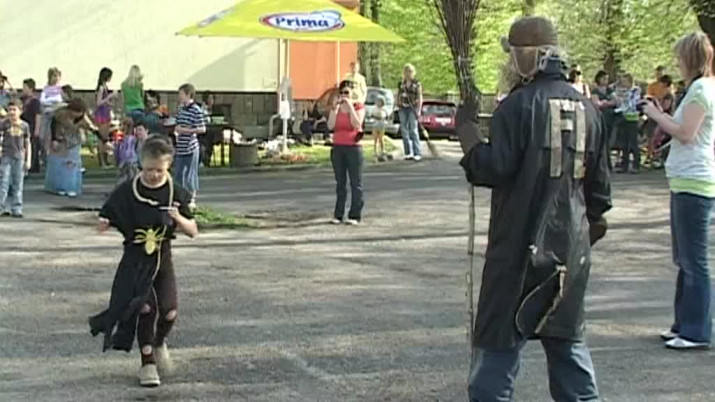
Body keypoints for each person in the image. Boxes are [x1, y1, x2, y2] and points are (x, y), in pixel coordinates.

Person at [456, 17, 611, 401]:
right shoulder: (590, 110)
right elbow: (599, 199)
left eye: (512, 54)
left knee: (496, 356)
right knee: (569, 352)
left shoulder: (516, 107)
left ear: (527, 57)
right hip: (569, 254)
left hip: (516, 253)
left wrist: (467, 133)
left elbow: (492, 168)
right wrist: (579, 239)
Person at [89, 135, 198, 388]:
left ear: (168, 165)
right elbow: (106, 215)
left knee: (169, 311)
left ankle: (159, 343)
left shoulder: (174, 191)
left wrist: (178, 219)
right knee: (145, 308)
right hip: (135, 261)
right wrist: (104, 223)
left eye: (159, 170)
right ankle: (147, 362)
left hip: (162, 258)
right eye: (149, 169)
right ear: (141, 164)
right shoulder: (128, 190)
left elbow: (193, 231)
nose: (154, 175)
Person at [642, 32, 715, 350]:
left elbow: (687, 133)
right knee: (685, 257)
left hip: (694, 183)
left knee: (694, 260)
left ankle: (697, 331)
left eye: (680, 57)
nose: (677, 63)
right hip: (687, 180)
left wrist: (656, 115)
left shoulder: (701, 89)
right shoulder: (701, 88)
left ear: (689, 58)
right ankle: (683, 324)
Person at [328, 80, 366, 225]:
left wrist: (350, 108)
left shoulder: (358, 107)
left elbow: (357, 124)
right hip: (338, 146)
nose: (344, 96)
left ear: (352, 94)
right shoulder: (337, 108)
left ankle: (355, 214)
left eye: (347, 93)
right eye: (342, 93)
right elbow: (330, 125)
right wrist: (334, 109)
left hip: (353, 147)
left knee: (355, 182)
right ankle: (338, 214)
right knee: (340, 183)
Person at [45, 98, 96, 197]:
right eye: (77, 113)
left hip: (74, 141)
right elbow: (54, 126)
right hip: (61, 140)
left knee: (72, 165)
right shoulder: (61, 114)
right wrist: (54, 139)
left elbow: (91, 127)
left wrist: (102, 138)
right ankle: (58, 187)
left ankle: (71, 187)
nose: (79, 115)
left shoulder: (82, 117)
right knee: (59, 164)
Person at [174, 83, 206, 209]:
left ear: (188, 94)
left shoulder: (196, 110)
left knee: (190, 174)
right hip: (180, 147)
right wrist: (177, 130)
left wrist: (187, 131)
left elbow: (202, 128)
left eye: (181, 94)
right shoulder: (181, 109)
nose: (179, 96)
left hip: (191, 147)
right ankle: (179, 198)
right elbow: (177, 124)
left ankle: (192, 198)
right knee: (178, 174)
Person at [0, 100, 31, 218]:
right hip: (6, 156)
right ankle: (1, 207)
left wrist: (28, 160)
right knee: (4, 182)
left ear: (20, 111)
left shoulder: (24, 126)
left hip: (19, 157)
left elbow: (27, 143)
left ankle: (17, 208)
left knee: (18, 184)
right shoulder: (4, 124)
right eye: (10, 110)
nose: (12, 112)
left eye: (14, 110)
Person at [614, 73, 642, 173]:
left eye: (624, 81)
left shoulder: (635, 90)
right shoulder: (621, 90)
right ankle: (624, 165)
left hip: (632, 117)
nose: (623, 83)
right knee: (624, 142)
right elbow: (618, 101)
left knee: (633, 142)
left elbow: (633, 103)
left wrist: (623, 98)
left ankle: (636, 165)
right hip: (623, 117)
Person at [397, 63, 423, 161]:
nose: (408, 73)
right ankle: (408, 152)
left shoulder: (417, 83)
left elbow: (420, 96)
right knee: (404, 130)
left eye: (410, 71)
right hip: (402, 108)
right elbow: (398, 95)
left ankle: (417, 152)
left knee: (413, 130)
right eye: (406, 71)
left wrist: (419, 110)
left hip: (413, 108)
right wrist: (398, 104)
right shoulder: (401, 83)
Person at [39, 68, 63, 166]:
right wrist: (51, 103)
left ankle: (52, 158)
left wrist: (51, 103)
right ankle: (44, 156)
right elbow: (42, 101)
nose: (56, 78)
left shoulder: (59, 89)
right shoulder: (46, 89)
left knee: (53, 136)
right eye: (54, 76)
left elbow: (59, 101)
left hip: (56, 115)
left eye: (58, 76)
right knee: (42, 136)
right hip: (46, 114)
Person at [95, 67, 115, 168]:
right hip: (102, 115)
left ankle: (105, 160)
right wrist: (109, 97)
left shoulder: (104, 86)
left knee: (105, 137)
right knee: (102, 139)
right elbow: (98, 102)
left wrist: (109, 103)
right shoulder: (101, 88)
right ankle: (102, 161)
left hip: (105, 113)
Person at [20, 79, 41, 173]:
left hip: (31, 125)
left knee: (33, 146)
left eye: (25, 87)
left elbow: (38, 115)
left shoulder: (35, 101)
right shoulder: (22, 100)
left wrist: (37, 129)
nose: (23, 89)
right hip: (23, 126)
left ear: (31, 88)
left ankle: (34, 166)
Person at [372, 95, 389, 161]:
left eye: (380, 101)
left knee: (381, 138)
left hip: (381, 124)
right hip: (375, 124)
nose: (378, 103)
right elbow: (372, 115)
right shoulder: (374, 108)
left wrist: (384, 120)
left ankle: (383, 150)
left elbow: (387, 117)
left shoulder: (384, 109)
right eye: (377, 101)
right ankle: (375, 151)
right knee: (375, 138)